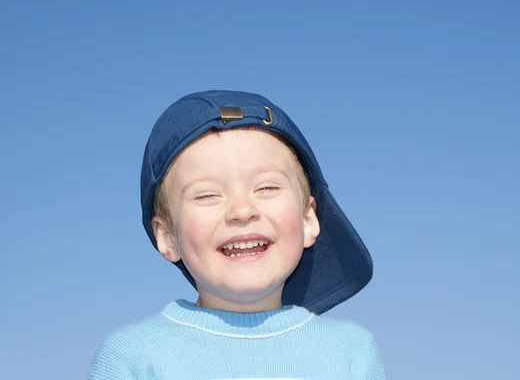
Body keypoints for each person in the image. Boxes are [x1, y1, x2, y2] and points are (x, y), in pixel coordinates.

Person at [88, 90, 386, 379]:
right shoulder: (131, 358)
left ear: (308, 218)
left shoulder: (351, 353)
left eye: (267, 188)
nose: (242, 211)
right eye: (207, 195)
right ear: (167, 237)